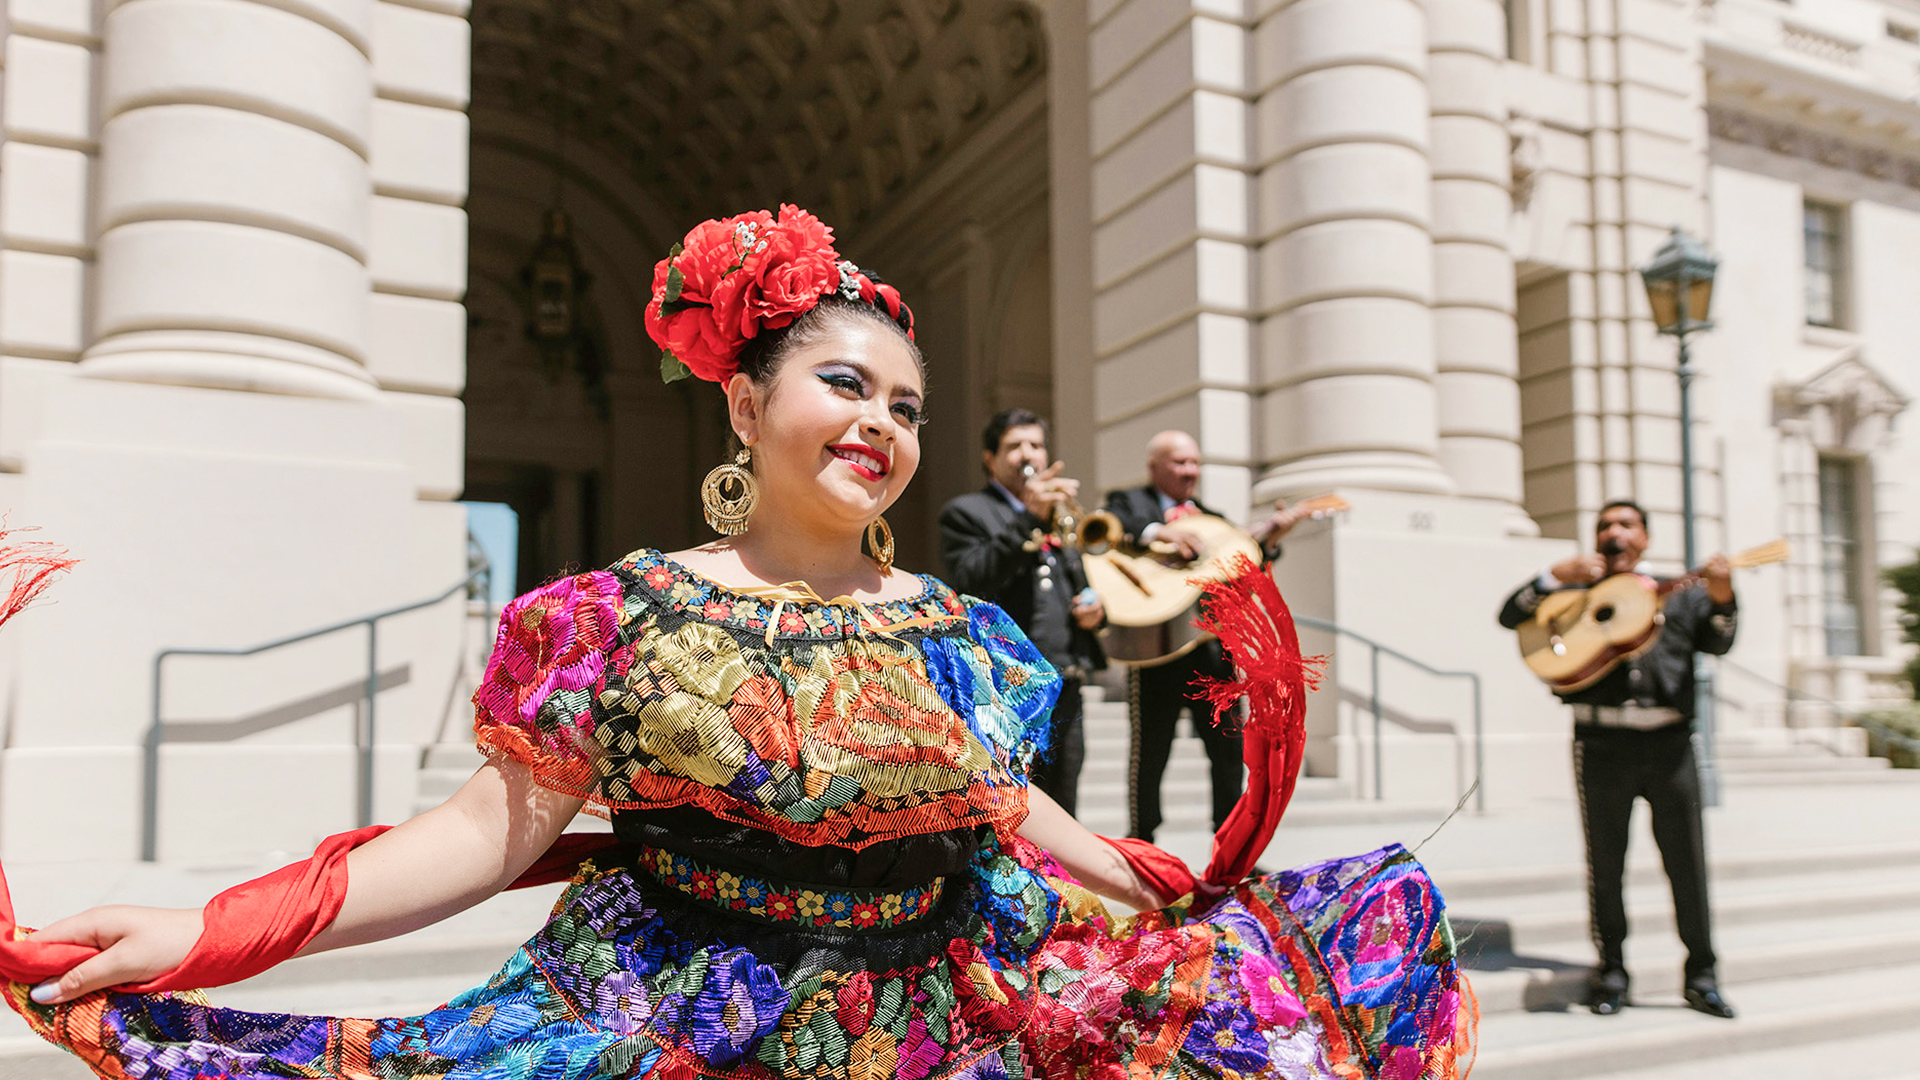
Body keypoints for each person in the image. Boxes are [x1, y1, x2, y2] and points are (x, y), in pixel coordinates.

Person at [2, 206, 1472, 1080]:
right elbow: (474, 842)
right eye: (847, 385)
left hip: (948, 1020)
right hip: (687, 1025)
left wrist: (1171, 886)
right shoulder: (613, 620)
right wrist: (207, 933)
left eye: (906, 405)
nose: (882, 427)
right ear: (744, 404)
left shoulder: (965, 636)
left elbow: (1003, 807)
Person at [1497, 499, 1738, 1020]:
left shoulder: (1682, 593)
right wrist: (1549, 574)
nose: (1614, 534)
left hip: (1671, 746)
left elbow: (1719, 643)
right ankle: (1611, 973)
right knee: (1605, 865)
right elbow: (1510, 614)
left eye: (1626, 525)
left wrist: (1723, 598)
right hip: (1600, 746)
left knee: (1686, 864)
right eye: (1605, 525)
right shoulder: (1574, 593)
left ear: (1645, 539)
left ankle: (1701, 976)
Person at [1104, 431, 1311, 841]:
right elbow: (1111, 527)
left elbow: (1241, 574)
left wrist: (1267, 542)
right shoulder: (1129, 504)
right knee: (1150, 755)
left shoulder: (1215, 519)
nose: (1190, 471)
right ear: (1155, 467)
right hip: (1156, 651)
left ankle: (1230, 846)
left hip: (1212, 654)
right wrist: (1159, 532)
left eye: (1194, 462)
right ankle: (1141, 844)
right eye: (1180, 463)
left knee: (1229, 754)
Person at [936, 409, 1105, 815]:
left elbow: (1079, 583)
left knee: (1067, 799)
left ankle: (1060, 878)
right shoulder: (967, 512)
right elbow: (972, 578)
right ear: (990, 459)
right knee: (1015, 803)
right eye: (1014, 446)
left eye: (1036, 445)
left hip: (1065, 678)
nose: (1027, 454)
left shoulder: (1060, 515)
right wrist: (1027, 516)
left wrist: (1096, 611)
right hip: (1005, 683)